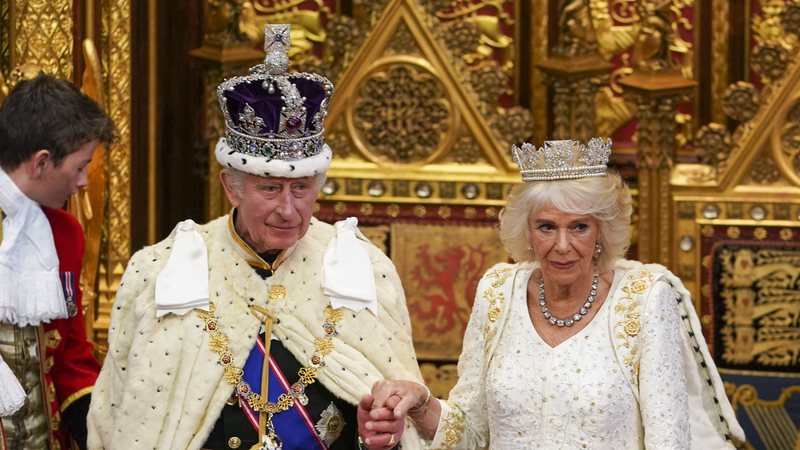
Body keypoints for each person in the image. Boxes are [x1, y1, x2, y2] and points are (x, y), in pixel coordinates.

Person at [87, 24, 424, 450]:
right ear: (232, 187)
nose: (289, 209)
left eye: (302, 188)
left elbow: (400, 420)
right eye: (270, 188)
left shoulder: (364, 267)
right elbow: (123, 416)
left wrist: (382, 435)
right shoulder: (160, 269)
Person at [358, 138, 746, 449]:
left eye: (578, 227)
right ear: (526, 231)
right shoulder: (497, 292)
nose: (562, 245)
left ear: (601, 232)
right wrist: (421, 403)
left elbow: (669, 441)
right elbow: (471, 435)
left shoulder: (644, 300)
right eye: (546, 226)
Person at [0, 74, 115, 450]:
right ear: (42, 163)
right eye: (80, 167)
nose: (84, 182)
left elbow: (71, 356)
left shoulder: (64, 234)